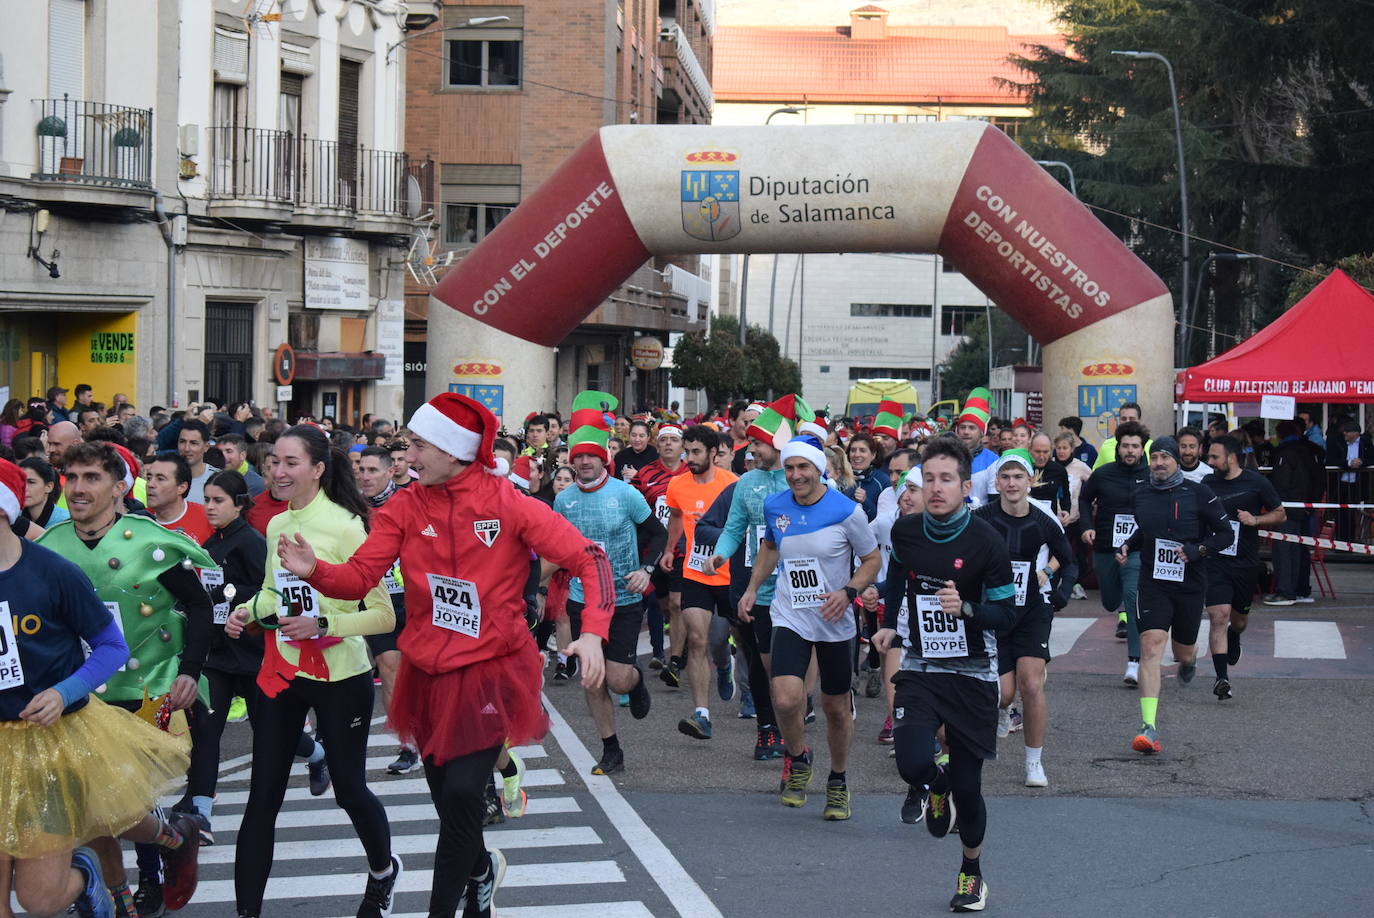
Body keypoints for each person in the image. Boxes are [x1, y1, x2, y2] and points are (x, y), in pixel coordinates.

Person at [275, 393, 611, 918]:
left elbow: (591, 558)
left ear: (453, 451)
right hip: (428, 673)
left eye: (418, 446)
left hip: (492, 670)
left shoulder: (509, 503)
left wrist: (592, 633)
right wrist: (314, 570)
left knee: (460, 796)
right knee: (447, 802)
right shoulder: (405, 507)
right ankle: (481, 873)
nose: (406, 456)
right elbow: (359, 579)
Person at [0, 457, 194, 918]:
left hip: (53, 738)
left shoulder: (50, 570)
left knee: (42, 896)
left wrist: (63, 692)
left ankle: (96, 875)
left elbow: (111, 646)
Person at [221, 425, 399, 918]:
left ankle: (383, 872)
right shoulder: (277, 524)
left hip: (342, 678)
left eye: (290, 463)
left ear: (318, 469)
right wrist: (247, 611)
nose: (277, 472)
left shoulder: (348, 526)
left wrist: (324, 624)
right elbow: (273, 592)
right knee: (262, 798)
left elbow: (383, 616)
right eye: (273, 462)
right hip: (285, 674)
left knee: (349, 791)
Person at [872, 437, 1017, 913]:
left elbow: (1007, 614)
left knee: (970, 788)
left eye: (946, 479)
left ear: (965, 487)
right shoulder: (906, 531)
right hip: (921, 664)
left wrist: (967, 608)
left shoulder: (987, 540)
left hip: (973, 672)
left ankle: (971, 872)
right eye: (928, 478)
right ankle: (937, 783)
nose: (936, 488)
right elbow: (898, 575)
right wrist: (890, 623)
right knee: (911, 761)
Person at [740, 434, 881, 820]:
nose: (795, 475)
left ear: (819, 469)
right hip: (791, 614)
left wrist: (848, 592)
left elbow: (872, 559)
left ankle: (838, 780)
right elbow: (770, 547)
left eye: (803, 467)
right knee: (786, 698)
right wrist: (752, 588)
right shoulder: (775, 505)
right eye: (789, 468)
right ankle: (799, 758)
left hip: (835, 621)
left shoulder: (846, 511)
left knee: (835, 708)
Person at [187, 470, 329, 845]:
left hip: (254, 655)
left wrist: (235, 597)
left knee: (274, 733)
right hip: (218, 655)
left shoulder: (252, 542)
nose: (210, 507)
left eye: (218, 500)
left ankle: (317, 754)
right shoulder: (211, 542)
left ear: (239, 504)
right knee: (206, 731)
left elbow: (269, 592)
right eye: (207, 500)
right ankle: (201, 814)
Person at [554, 391, 665, 774]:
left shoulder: (626, 494)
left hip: (623, 599)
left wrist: (646, 569)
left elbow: (659, 533)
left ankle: (634, 682)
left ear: (604, 457)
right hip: (583, 599)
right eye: (578, 456)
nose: (584, 462)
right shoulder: (564, 501)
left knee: (616, 679)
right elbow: (555, 548)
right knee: (591, 678)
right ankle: (610, 749)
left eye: (591, 455)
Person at [705, 395, 813, 761]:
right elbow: (734, 528)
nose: (750, 450)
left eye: (757, 444)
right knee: (756, 660)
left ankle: (790, 726)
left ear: (778, 444)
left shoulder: (800, 481)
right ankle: (767, 730)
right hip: (751, 587)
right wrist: (720, 553)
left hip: (792, 590)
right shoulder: (746, 482)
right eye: (750, 443)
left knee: (780, 667)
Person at [1118, 437, 1233, 755]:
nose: (1158, 463)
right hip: (1153, 582)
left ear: (1176, 461)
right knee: (1151, 645)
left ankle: (1189, 658)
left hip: (1189, 583)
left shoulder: (1199, 493)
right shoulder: (1141, 494)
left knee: (1182, 651)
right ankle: (1148, 726)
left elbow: (1226, 534)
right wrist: (1128, 544)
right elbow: (1145, 531)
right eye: (1154, 457)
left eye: (1165, 457)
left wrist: (1200, 549)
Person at [973, 449, 1074, 788]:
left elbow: (1069, 560)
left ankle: (1034, 762)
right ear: (997, 482)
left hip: (1032, 610)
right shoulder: (981, 518)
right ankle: (1004, 709)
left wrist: (1060, 590)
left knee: (1031, 684)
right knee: (1003, 694)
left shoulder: (1043, 520)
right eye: (1005, 477)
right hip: (995, 613)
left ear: (1030, 480)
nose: (1012, 483)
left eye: (1018, 477)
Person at [661, 424, 738, 740]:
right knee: (696, 640)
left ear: (713, 453)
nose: (689, 458)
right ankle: (702, 715)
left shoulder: (732, 484)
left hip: (730, 575)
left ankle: (728, 669)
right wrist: (670, 549)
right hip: (695, 573)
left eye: (695, 452)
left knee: (732, 640)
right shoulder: (677, 484)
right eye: (687, 452)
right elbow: (677, 516)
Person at [1201, 435, 1285, 699]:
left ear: (1231, 458)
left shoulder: (1256, 482)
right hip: (1215, 560)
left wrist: (1255, 520)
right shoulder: (1207, 483)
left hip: (1245, 563)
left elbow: (1281, 513)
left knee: (1238, 621)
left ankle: (1234, 635)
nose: (1210, 462)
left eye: (1214, 457)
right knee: (1218, 615)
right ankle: (1221, 678)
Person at [356, 445, 421, 775]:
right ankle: (408, 745)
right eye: (361, 470)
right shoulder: (352, 507)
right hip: (377, 599)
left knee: (423, 669)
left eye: (372, 471)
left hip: (415, 599)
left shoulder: (409, 501)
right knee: (389, 665)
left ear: (390, 471)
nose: (365, 477)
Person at [1078, 421, 1149, 684]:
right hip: (1106, 545)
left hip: (1137, 548)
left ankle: (1134, 662)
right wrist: (1087, 526)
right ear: (1118, 448)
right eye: (1126, 446)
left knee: (1132, 598)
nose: (1130, 451)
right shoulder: (1103, 474)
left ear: (1142, 449)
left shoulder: (1152, 476)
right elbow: (1084, 499)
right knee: (1110, 601)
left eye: (1135, 446)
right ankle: (1115, 601)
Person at [1267, 420, 1327, 608]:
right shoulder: (1310, 451)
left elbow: (1282, 483)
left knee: (1284, 550)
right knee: (1299, 549)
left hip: (1287, 508)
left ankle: (1285, 590)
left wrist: (1275, 505)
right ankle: (1300, 588)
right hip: (1305, 507)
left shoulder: (1286, 453)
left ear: (1280, 435)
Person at [145, 454, 214, 544]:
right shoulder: (140, 520)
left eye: (160, 479)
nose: (150, 484)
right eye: (149, 478)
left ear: (181, 488)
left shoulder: (207, 518)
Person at [1329, 420, 1373, 541]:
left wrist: (1362, 462)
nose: (1345, 434)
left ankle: (1351, 541)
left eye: (1348, 431)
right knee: (1339, 513)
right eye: (1344, 431)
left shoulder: (1365, 443)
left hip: (1356, 484)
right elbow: (1332, 459)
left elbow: (1371, 458)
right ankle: (1340, 541)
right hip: (1341, 483)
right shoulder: (1339, 442)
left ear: (1356, 433)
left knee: (1352, 514)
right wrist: (1348, 463)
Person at [956, 389, 1000, 503]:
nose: (966, 432)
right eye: (962, 427)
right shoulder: (946, 456)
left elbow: (994, 502)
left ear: (981, 433)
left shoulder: (993, 461)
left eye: (972, 428)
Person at [1092, 402, 1150, 469]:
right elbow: (1096, 472)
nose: (1127, 422)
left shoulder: (1151, 445)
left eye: (1132, 419)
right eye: (1124, 419)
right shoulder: (1106, 445)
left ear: (1139, 420)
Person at [846, 433, 889, 521]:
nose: (857, 455)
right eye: (853, 450)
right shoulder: (841, 477)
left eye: (862, 450)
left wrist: (865, 502)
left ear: (873, 455)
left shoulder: (883, 480)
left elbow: (885, 519)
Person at [18, 457, 69, 529]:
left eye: (31, 482)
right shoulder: (13, 518)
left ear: (49, 487)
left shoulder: (65, 522)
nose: (24, 487)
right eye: (20, 481)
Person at [176, 420, 218, 504]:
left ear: (206, 447)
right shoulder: (165, 477)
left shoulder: (218, 479)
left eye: (193, 443)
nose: (187, 448)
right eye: (182, 442)